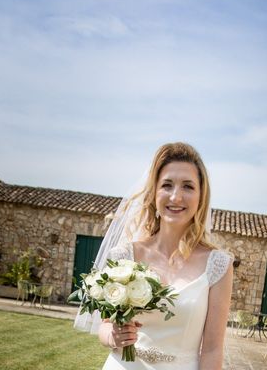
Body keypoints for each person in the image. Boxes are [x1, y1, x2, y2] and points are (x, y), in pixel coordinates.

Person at [76, 142, 234, 369]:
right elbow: (105, 326)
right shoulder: (124, 256)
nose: (176, 196)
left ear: (201, 196)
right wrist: (113, 336)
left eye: (188, 186)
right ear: (154, 193)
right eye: (167, 185)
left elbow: (212, 349)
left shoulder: (218, 265)